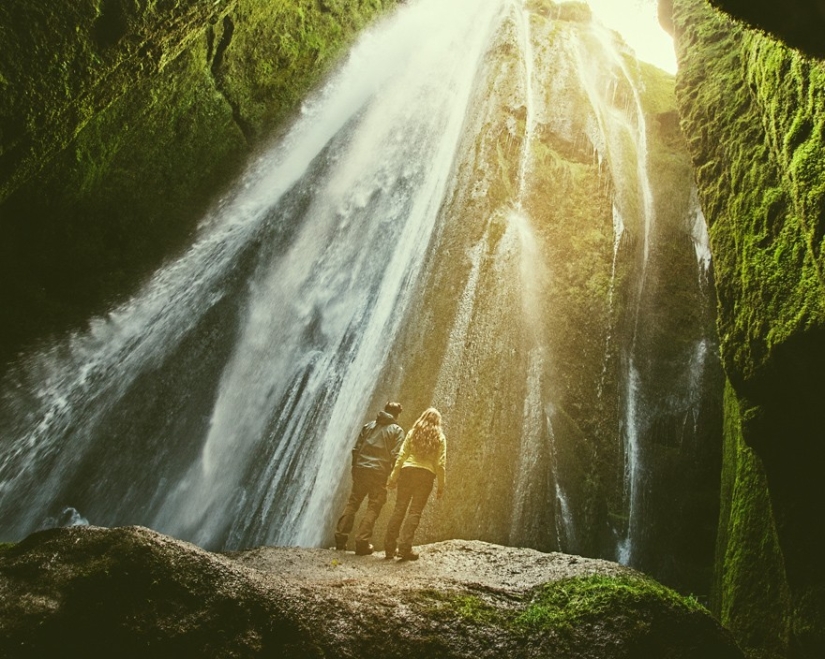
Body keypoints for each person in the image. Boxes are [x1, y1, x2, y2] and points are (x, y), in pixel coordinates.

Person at [335, 401, 404, 555]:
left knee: (353, 502)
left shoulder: (369, 426)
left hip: (361, 470)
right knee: (373, 506)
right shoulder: (397, 431)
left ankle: (340, 539)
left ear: (385, 410)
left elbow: (356, 449)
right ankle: (362, 542)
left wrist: (355, 469)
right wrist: (393, 477)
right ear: (397, 414)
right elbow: (395, 456)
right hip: (379, 473)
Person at [384, 407, 446, 561]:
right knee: (415, 512)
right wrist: (441, 486)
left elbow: (402, 456)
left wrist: (393, 477)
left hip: (407, 471)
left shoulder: (413, 433)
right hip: (426, 476)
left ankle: (389, 548)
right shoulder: (440, 437)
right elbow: (440, 464)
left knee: (399, 508)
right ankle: (404, 548)